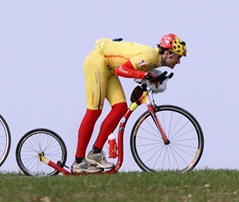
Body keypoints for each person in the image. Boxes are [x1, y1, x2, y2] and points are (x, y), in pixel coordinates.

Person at [72, 33, 187, 173]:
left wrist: (149, 78)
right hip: (97, 63)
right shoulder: (150, 56)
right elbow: (122, 70)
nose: (179, 61)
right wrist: (144, 75)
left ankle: (95, 153)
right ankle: (78, 161)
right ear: (168, 53)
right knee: (94, 111)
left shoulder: (155, 60)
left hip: (109, 68)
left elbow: (134, 70)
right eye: (178, 57)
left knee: (120, 108)